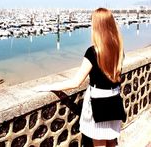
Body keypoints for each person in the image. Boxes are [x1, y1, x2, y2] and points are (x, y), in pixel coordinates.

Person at [34, 8, 124, 147]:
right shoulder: (119, 49)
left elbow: (75, 82)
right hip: (114, 102)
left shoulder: (94, 52)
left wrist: (49, 87)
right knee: (111, 141)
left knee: (99, 142)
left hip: (97, 104)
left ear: (97, 26)